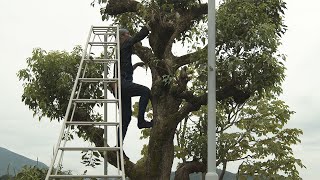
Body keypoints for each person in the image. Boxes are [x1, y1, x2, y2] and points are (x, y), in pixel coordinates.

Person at [115, 25, 153, 145]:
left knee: (126, 118)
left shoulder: (119, 50)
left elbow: (123, 68)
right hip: (123, 84)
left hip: (121, 86)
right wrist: (147, 27)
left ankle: (119, 145)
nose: (129, 36)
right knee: (145, 91)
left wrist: (135, 66)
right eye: (127, 34)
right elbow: (137, 37)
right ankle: (141, 121)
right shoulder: (124, 44)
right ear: (122, 36)